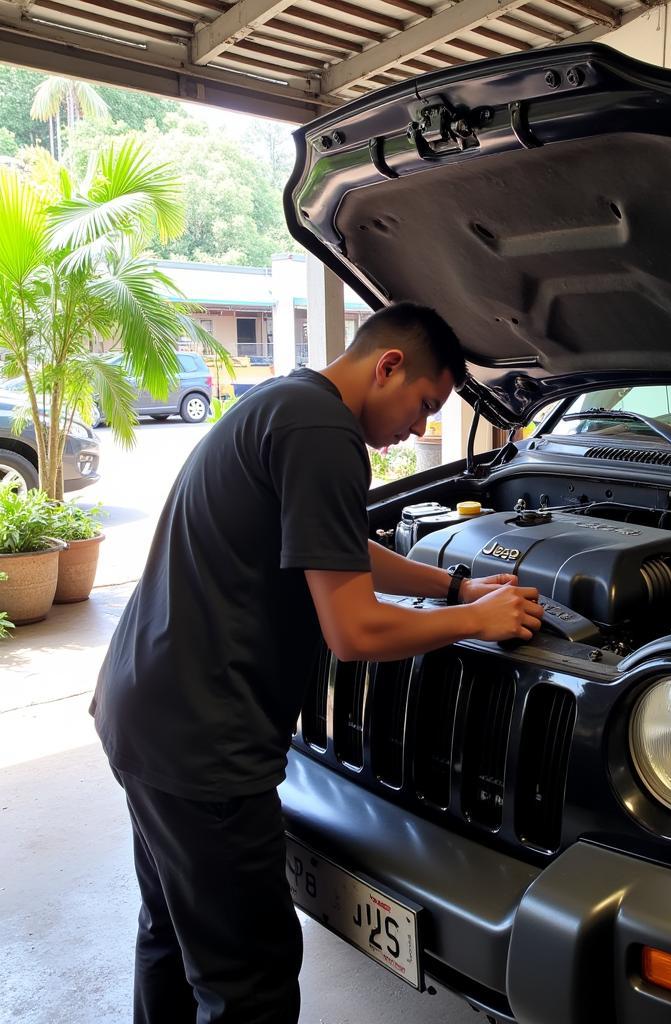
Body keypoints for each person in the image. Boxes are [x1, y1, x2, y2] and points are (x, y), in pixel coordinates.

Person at [90, 301, 544, 1024]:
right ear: (387, 365)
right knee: (250, 982)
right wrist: (475, 620)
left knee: (174, 936)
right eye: (425, 405)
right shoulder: (326, 432)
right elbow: (354, 632)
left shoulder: (286, 402)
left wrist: (455, 584)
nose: (422, 429)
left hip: (143, 712)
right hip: (206, 745)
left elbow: (336, 547)